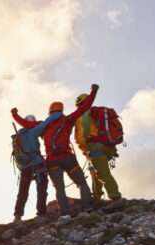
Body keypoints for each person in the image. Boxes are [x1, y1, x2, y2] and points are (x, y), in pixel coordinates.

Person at [14, 84, 98, 216]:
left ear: (50, 111)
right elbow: (84, 107)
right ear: (61, 110)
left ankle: (65, 214)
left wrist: (15, 114)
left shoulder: (43, 124)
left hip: (52, 161)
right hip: (68, 158)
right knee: (81, 182)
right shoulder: (68, 119)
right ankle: (87, 207)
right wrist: (93, 92)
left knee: (59, 188)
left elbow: (26, 124)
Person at [9, 112, 59, 222]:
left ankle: (17, 216)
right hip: (37, 163)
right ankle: (41, 213)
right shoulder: (34, 130)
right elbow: (45, 124)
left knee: (23, 191)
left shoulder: (19, 134)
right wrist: (56, 115)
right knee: (41, 189)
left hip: (25, 166)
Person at [73, 93, 122, 202]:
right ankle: (97, 197)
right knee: (97, 172)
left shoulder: (82, 117)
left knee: (103, 173)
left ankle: (115, 197)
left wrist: (85, 150)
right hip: (109, 147)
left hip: (95, 147)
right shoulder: (98, 112)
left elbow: (80, 137)